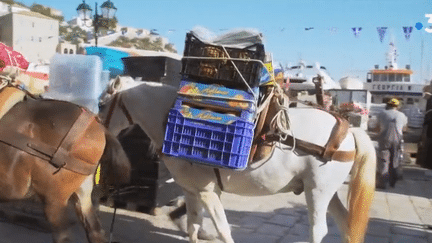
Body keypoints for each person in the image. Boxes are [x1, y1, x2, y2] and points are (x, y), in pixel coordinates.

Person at [375, 98, 408, 189]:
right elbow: (405, 129)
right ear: (397, 106)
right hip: (397, 140)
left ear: (388, 105)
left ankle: (382, 182)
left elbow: (377, 128)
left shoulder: (381, 114)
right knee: (395, 159)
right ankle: (392, 182)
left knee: (383, 160)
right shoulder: (402, 115)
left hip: (384, 139)